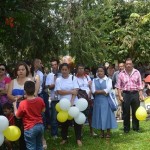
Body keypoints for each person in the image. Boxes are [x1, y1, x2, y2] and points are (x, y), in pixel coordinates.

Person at [55, 63, 83, 146]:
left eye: (66, 69)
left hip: (73, 103)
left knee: (77, 122)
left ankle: (78, 139)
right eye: (62, 70)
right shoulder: (58, 80)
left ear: (69, 70)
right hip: (63, 104)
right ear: (61, 70)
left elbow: (76, 90)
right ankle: (64, 138)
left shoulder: (73, 78)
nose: (64, 71)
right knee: (64, 123)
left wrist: (71, 101)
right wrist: (70, 91)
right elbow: (59, 91)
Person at [13, 81, 45, 150]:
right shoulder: (40, 100)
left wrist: (15, 106)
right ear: (34, 90)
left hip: (29, 128)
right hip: (40, 126)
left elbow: (18, 116)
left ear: (24, 91)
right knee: (39, 146)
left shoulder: (23, 103)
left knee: (31, 147)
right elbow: (43, 110)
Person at [116, 58, 143, 133]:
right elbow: (118, 86)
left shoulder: (137, 72)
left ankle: (136, 128)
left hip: (135, 94)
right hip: (125, 94)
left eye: (130, 64)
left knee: (136, 112)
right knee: (126, 112)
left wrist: (141, 95)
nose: (128, 65)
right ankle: (126, 129)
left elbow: (139, 85)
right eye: (127, 64)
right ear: (125, 65)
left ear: (132, 64)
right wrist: (120, 96)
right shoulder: (121, 74)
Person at [7, 61, 29, 150]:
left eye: (23, 69)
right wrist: (17, 99)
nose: (21, 71)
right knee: (18, 128)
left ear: (26, 70)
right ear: (16, 71)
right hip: (16, 109)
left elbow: (33, 94)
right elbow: (8, 95)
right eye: (19, 70)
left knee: (26, 130)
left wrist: (22, 97)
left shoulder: (29, 81)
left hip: (27, 109)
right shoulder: (12, 81)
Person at [91, 66, 117, 139]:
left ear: (104, 72)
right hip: (98, 101)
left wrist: (98, 91)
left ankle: (108, 132)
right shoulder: (94, 80)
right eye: (98, 71)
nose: (100, 72)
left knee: (107, 116)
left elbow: (108, 89)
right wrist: (103, 91)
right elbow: (93, 91)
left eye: (101, 71)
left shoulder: (108, 80)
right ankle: (101, 132)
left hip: (106, 101)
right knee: (99, 116)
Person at [76, 64, 96, 136]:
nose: (81, 70)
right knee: (81, 115)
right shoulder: (75, 78)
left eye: (82, 68)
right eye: (79, 68)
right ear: (77, 69)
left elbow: (92, 87)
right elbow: (76, 89)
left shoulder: (87, 77)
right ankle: (80, 132)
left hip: (89, 98)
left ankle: (92, 131)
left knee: (90, 115)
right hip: (81, 99)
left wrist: (91, 91)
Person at [45, 58, 61, 139]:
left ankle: (63, 133)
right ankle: (54, 134)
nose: (54, 66)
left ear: (58, 65)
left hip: (63, 98)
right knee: (54, 117)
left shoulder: (63, 74)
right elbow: (50, 87)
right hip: (54, 99)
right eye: (52, 65)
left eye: (55, 64)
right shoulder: (49, 76)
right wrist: (55, 81)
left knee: (63, 117)